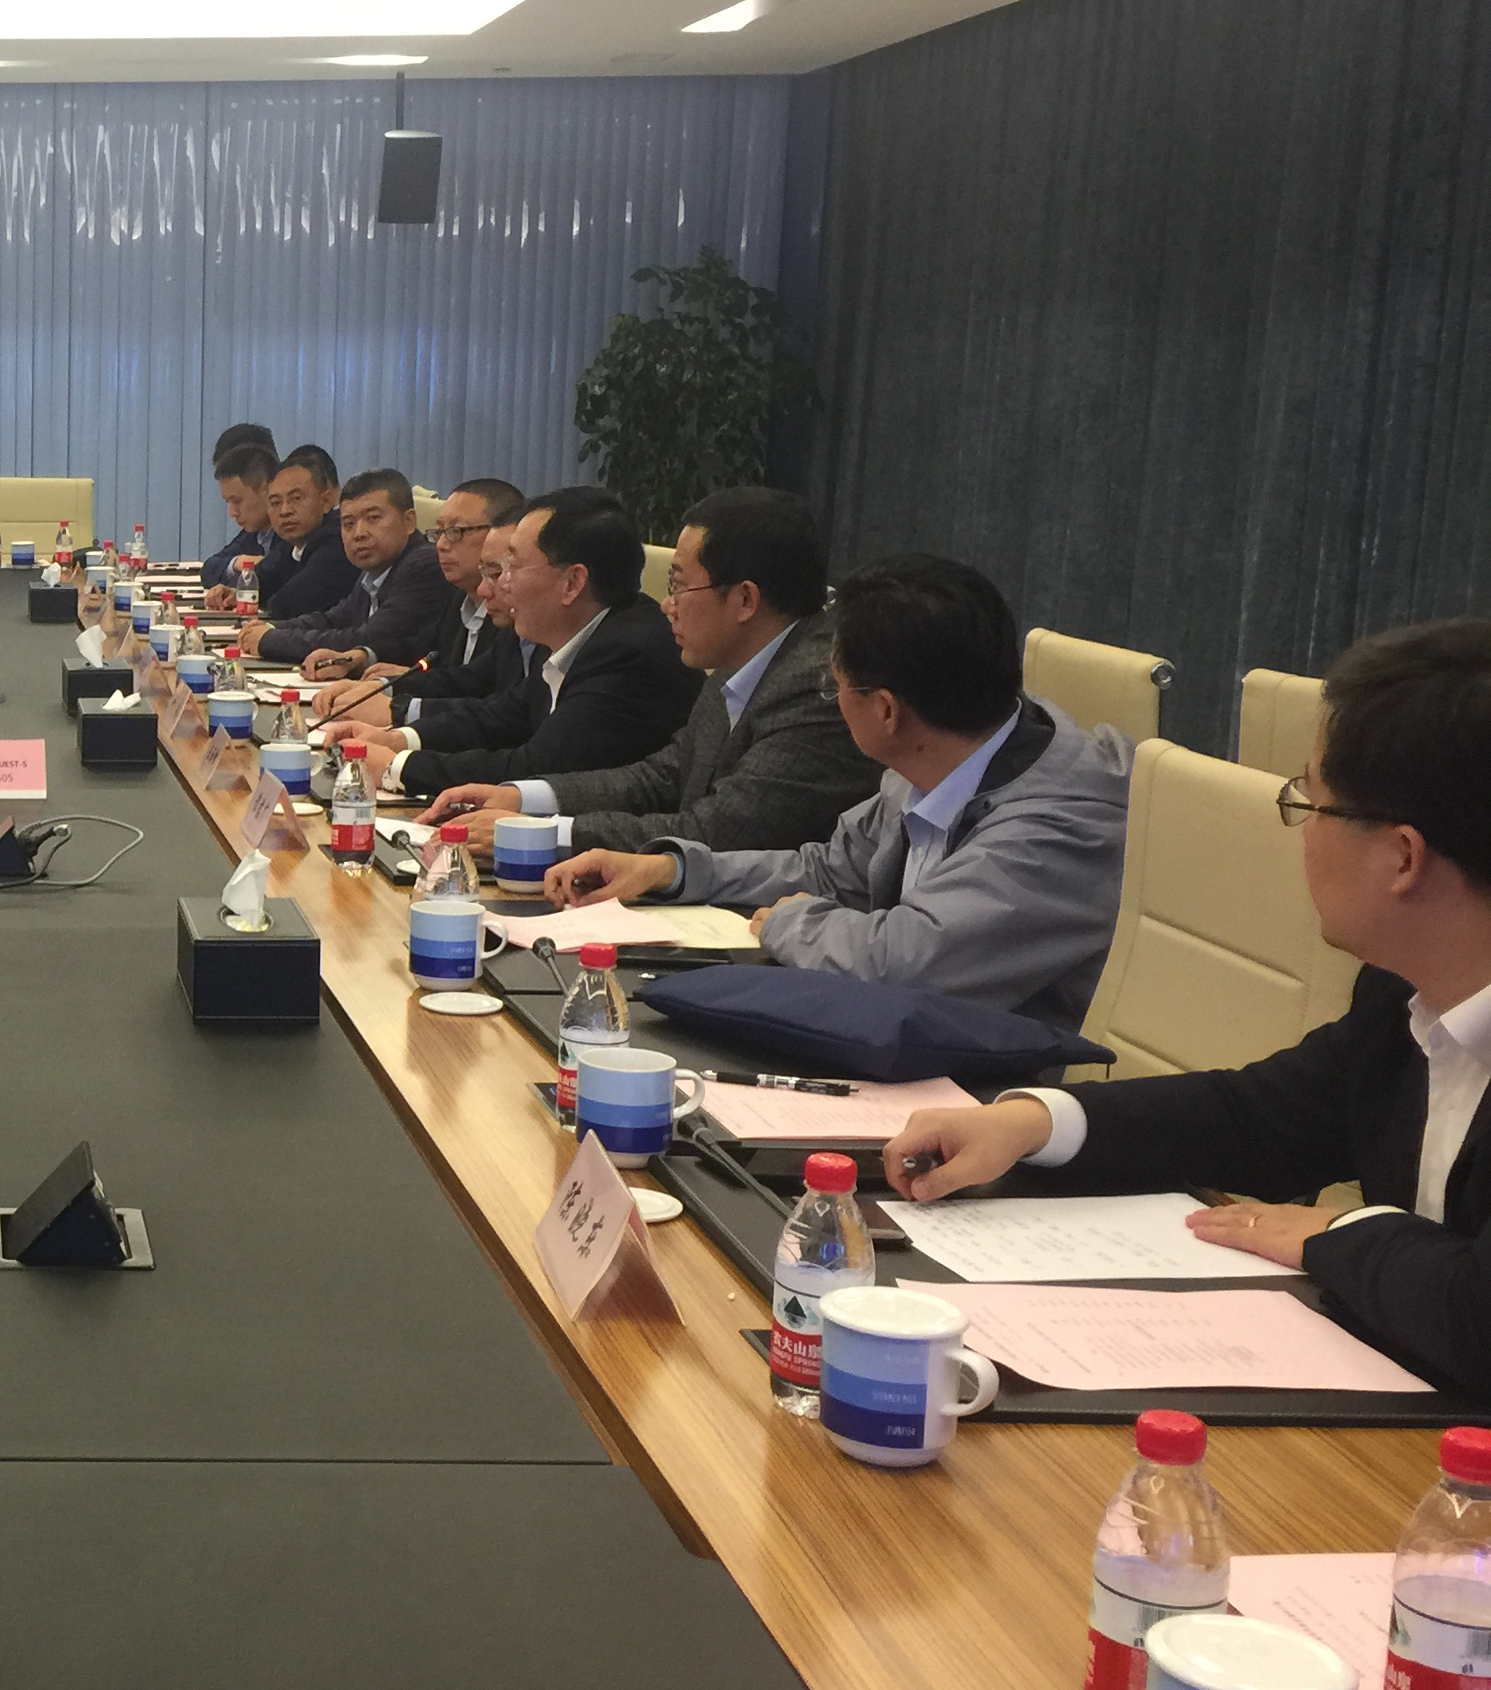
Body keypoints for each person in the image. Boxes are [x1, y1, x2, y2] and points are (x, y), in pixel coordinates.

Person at [883, 619, 1491, 1394]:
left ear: (1402, 858)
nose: (1301, 834)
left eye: (1311, 803)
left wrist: (1344, 1236)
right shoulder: (1403, 989)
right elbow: (1264, 1117)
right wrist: (1037, 1123)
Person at [544, 554, 1133, 1027]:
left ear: (887, 711)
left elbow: (905, 964)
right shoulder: (939, 756)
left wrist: (790, 923)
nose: (833, 701)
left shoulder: (1057, 829)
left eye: (837, 687)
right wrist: (673, 871)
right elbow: (830, 870)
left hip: (1000, 1098)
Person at [423, 487, 878, 859]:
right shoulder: (741, 660)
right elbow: (664, 775)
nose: (667, 605)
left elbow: (716, 831)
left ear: (745, 600)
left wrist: (542, 833)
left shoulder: (818, 686)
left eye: (678, 585)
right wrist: (524, 799)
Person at [333, 487, 699, 797]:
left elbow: (535, 766)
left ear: (572, 583)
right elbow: (503, 716)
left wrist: (398, 767)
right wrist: (400, 739)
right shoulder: (570, 635)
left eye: (513, 567)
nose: (499, 585)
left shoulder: (627, 654)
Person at [312, 484, 533, 721]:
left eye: (456, 531)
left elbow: (496, 706)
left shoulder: (518, 620)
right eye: (440, 532)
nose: (441, 544)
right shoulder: (459, 597)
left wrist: (400, 709)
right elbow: (438, 661)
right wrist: (365, 662)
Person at [236, 471, 453, 667]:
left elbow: (367, 639)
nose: (359, 533)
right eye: (349, 523)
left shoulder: (424, 565)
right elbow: (333, 620)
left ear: (409, 522)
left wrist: (270, 640)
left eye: (373, 518)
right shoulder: (376, 569)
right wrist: (269, 628)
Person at [254, 447, 358, 619]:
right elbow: (259, 584)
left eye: (296, 498)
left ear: (325, 502)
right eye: (275, 503)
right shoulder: (291, 544)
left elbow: (289, 603)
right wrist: (236, 593)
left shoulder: (337, 539)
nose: (285, 511)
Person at [199, 429, 277, 590]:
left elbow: (275, 576)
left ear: (267, 488)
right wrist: (236, 563)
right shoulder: (257, 533)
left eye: (237, 501)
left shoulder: (290, 533)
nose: (232, 513)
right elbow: (209, 568)